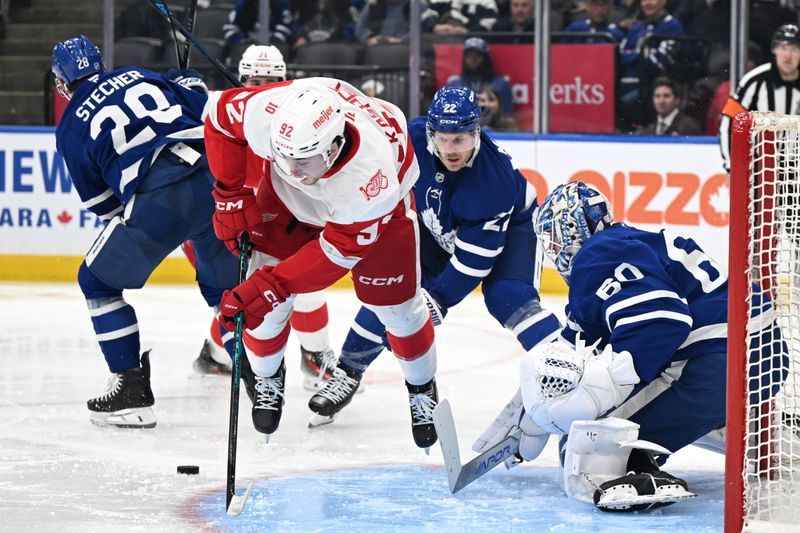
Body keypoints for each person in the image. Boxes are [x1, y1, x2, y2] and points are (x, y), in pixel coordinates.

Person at [472, 181, 787, 511]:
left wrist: (604, 388)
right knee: (604, 412)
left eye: (555, 237)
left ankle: (639, 468)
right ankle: (722, 427)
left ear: (573, 228)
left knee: (584, 447)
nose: (553, 248)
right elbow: (571, 349)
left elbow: (663, 320)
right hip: (762, 356)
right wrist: (527, 413)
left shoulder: (598, 253)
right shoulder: (626, 244)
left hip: (717, 361)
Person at [204, 77, 440, 448]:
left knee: (399, 310)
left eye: (302, 161)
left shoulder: (371, 182)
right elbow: (218, 118)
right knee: (263, 303)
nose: (292, 168)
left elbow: (334, 255)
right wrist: (229, 193)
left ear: (333, 146)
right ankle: (268, 376)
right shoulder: (269, 113)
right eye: (284, 157)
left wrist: (274, 285)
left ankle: (422, 385)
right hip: (286, 203)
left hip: (375, 215)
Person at [307, 86, 560, 426]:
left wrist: (436, 299)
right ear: (430, 132)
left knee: (508, 297)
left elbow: (473, 263)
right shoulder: (409, 136)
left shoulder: (492, 181)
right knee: (390, 288)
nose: (450, 149)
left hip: (512, 229)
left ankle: (566, 366)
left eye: (460, 140)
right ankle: (347, 375)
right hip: (435, 224)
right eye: (442, 139)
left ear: (476, 133)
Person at [52, 35, 240, 429]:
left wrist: (156, 217)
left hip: (159, 196)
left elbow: (104, 205)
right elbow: (204, 111)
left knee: (96, 281)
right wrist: (190, 84)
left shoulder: (70, 125)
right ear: (100, 64)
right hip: (217, 180)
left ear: (61, 82)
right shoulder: (138, 74)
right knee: (228, 292)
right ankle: (260, 374)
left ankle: (131, 392)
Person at [188, 45, 339, 392]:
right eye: (255, 80)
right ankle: (219, 353)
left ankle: (309, 357)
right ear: (242, 79)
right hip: (221, 226)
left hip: (270, 222)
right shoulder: (219, 111)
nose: (261, 87)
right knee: (240, 298)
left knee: (301, 286)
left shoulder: (293, 121)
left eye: (271, 81)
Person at [719, 24, 800, 172]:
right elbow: (729, 121)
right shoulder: (753, 80)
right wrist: (731, 167)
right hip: (760, 171)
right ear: (774, 50)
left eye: (795, 49)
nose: (788, 55)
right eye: (783, 48)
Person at [617, 0, 684, 130]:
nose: (647, 3)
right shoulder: (637, 27)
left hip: (652, 83)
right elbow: (620, 54)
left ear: (663, 2)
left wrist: (634, 55)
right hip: (627, 83)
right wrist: (641, 54)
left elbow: (660, 62)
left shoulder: (672, 26)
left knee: (624, 103)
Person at [446, 37, 514, 115]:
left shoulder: (501, 85)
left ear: (486, 59)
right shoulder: (454, 85)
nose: (472, 59)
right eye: (469, 56)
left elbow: (507, 114)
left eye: (477, 56)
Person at [561, 0, 625, 44]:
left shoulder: (616, 34)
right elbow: (560, 51)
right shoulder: (574, 29)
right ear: (588, 7)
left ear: (610, 7)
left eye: (603, 5)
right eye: (595, 5)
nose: (599, 9)